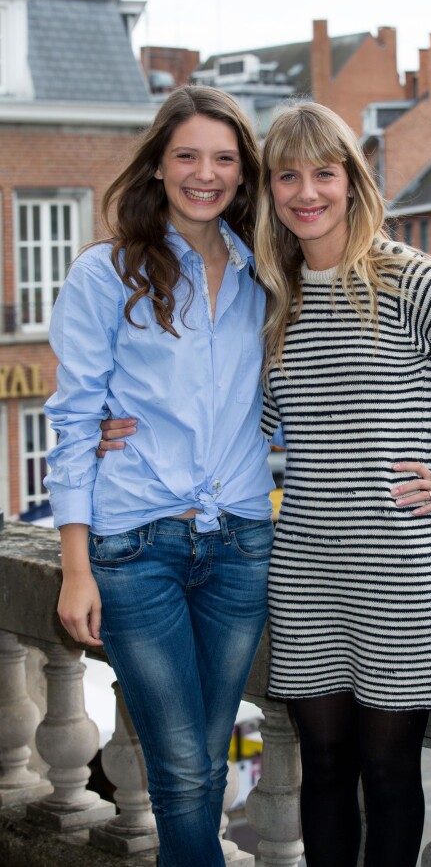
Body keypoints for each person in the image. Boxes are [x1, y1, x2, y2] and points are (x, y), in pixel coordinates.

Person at [253, 101, 431, 867]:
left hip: (400, 575)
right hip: (307, 570)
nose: (306, 191)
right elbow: (246, 424)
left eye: (324, 171)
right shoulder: (274, 297)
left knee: (387, 776)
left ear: (351, 181)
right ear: (270, 189)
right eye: (288, 175)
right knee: (322, 772)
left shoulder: (410, 280)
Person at [44, 85, 275, 867]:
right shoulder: (105, 275)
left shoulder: (266, 278)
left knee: (209, 761)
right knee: (181, 769)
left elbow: (277, 402)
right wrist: (76, 567)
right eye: (187, 156)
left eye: (223, 158)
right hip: (136, 547)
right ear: (158, 165)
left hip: (242, 545)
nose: (204, 174)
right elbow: (75, 423)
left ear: (244, 175)